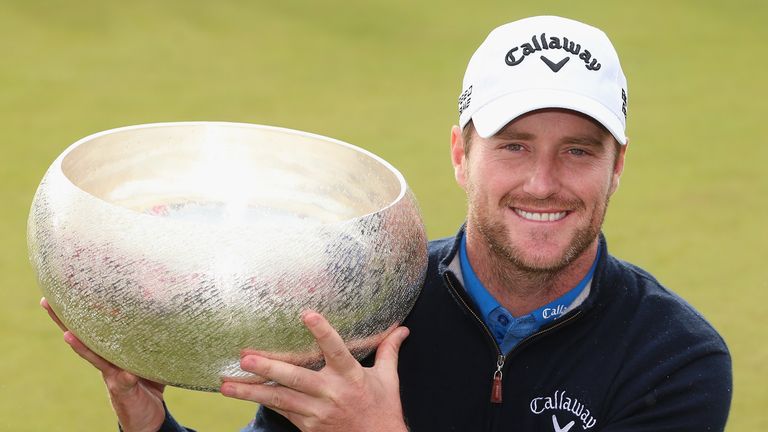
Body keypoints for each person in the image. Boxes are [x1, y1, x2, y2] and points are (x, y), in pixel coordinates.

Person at [42, 15, 732, 432]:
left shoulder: (671, 360)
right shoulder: (357, 308)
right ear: (462, 155)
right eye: (514, 145)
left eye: (578, 151)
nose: (542, 182)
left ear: (617, 167)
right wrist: (148, 419)